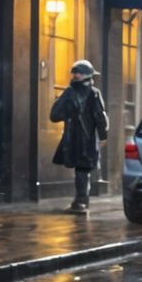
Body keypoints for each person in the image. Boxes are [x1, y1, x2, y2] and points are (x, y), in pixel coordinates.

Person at [50, 61, 109, 213]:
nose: (76, 75)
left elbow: (99, 117)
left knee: (82, 169)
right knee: (81, 170)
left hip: (86, 138)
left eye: (79, 73)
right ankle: (81, 200)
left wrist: (102, 136)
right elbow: (55, 115)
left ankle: (81, 201)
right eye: (75, 73)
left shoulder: (92, 93)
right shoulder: (70, 93)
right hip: (75, 137)